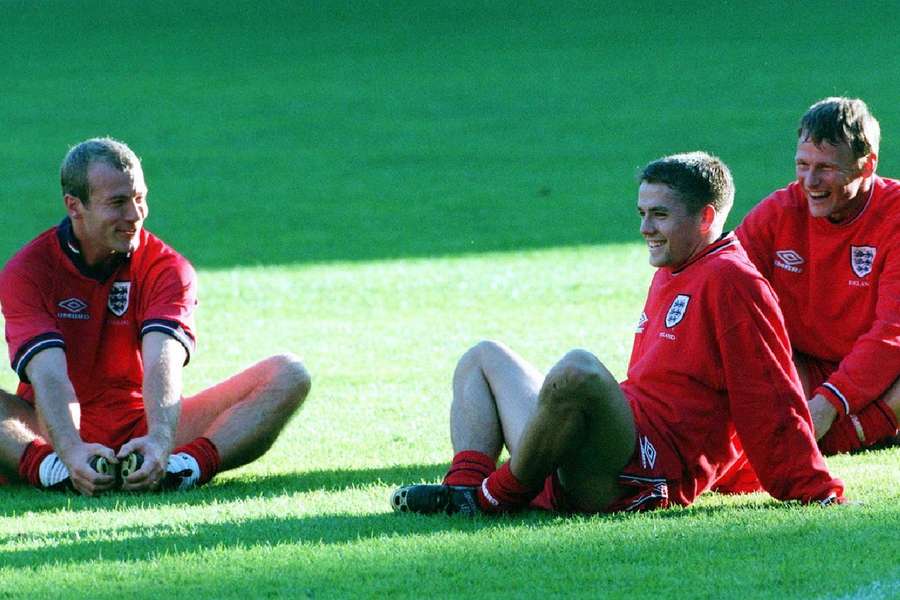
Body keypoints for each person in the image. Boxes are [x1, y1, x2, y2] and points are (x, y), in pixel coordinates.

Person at [391, 152, 843, 517]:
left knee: (578, 370)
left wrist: (813, 487)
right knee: (483, 357)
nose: (645, 228)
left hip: (640, 473)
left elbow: (769, 396)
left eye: (659, 215)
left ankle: (494, 497)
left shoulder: (733, 280)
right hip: (611, 448)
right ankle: (463, 492)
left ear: (706, 217)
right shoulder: (675, 267)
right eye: (642, 213)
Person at [0, 137, 311, 496]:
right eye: (118, 203)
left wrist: (160, 440)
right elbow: (49, 376)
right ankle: (55, 470)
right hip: (50, 431)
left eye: (140, 198)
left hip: (143, 426)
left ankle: (179, 468)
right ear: (75, 206)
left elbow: (163, 361)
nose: (135, 215)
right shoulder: (28, 271)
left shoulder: (168, 268)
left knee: (289, 374)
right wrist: (70, 450)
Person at [736, 97, 900, 457]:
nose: (810, 181)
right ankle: (875, 427)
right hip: (809, 366)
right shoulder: (780, 213)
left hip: (886, 370)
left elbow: (893, 333)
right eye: (803, 164)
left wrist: (828, 404)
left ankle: (851, 433)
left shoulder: (895, 216)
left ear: (867, 165)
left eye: (825, 168)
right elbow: (720, 285)